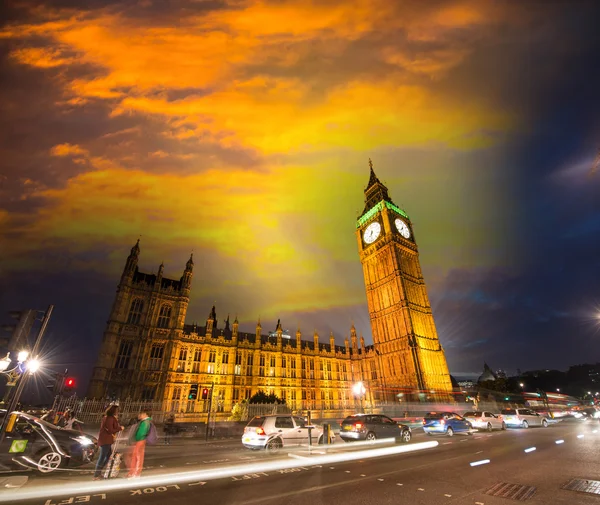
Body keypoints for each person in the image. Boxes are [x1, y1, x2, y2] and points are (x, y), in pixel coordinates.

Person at [94, 405, 124, 480]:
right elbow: (111, 430)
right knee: (102, 457)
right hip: (105, 440)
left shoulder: (108, 418)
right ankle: (96, 475)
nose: (118, 412)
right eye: (117, 410)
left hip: (106, 440)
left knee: (108, 456)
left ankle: (98, 473)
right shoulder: (109, 418)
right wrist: (120, 428)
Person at [127, 410, 152, 478]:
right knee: (135, 456)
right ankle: (132, 472)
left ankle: (136, 473)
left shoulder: (145, 422)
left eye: (142, 414)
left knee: (138, 457)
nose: (140, 415)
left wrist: (136, 439)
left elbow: (142, 433)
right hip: (139, 440)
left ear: (146, 415)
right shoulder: (144, 422)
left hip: (140, 440)